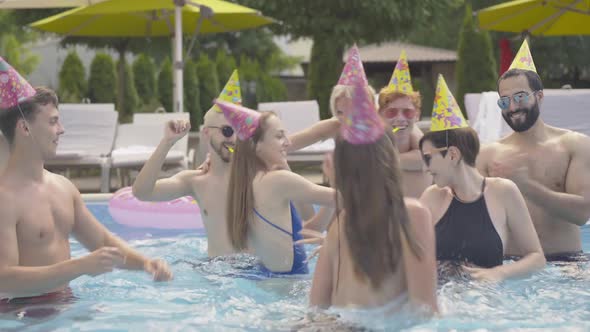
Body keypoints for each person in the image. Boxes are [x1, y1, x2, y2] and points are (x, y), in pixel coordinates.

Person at [0, 58, 172, 302]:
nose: (61, 129)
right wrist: (78, 267)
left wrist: (146, 263)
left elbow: (101, 241)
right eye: (52, 121)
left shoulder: (63, 188)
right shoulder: (4, 198)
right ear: (24, 128)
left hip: (64, 306)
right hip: (21, 316)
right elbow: (4, 279)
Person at [133, 71, 337, 256]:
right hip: (215, 275)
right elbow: (142, 192)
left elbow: (308, 224)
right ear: (206, 132)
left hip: (254, 279)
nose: (233, 140)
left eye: (239, 134)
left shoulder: (263, 176)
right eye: (227, 131)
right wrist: (167, 143)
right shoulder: (195, 181)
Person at [309, 69, 437, 314]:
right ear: (389, 159)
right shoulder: (412, 214)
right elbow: (426, 311)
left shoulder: (338, 226)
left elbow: (315, 310)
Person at [419, 74, 545, 281]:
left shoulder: (504, 192)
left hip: (486, 304)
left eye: (428, 158)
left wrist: (499, 273)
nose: (426, 169)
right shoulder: (431, 197)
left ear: (452, 154)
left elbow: (536, 258)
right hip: (443, 302)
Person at [476, 41, 590, 260]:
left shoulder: (574, 145)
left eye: (520, 97)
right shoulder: (487, 155)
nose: (512, 107)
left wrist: (525, 185)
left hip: (565, 263)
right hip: (510, 266)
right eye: (504, 101)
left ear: (539, 96)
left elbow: (582, 214)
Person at [214, 98, 336, 275]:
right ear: (257, 146)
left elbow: (307, 232)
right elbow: (345, 198)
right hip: (287, 291)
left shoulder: (249, 184)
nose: (288, 142)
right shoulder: (278, 181)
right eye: (279, 136)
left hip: (268, 282)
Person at [377, 50, 432, 198]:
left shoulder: (422, 145)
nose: (400, 118)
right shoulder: (371, 143)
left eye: (408, 112)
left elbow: (426, 158)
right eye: (391, 112)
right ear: (379, 115)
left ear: (417, 116)